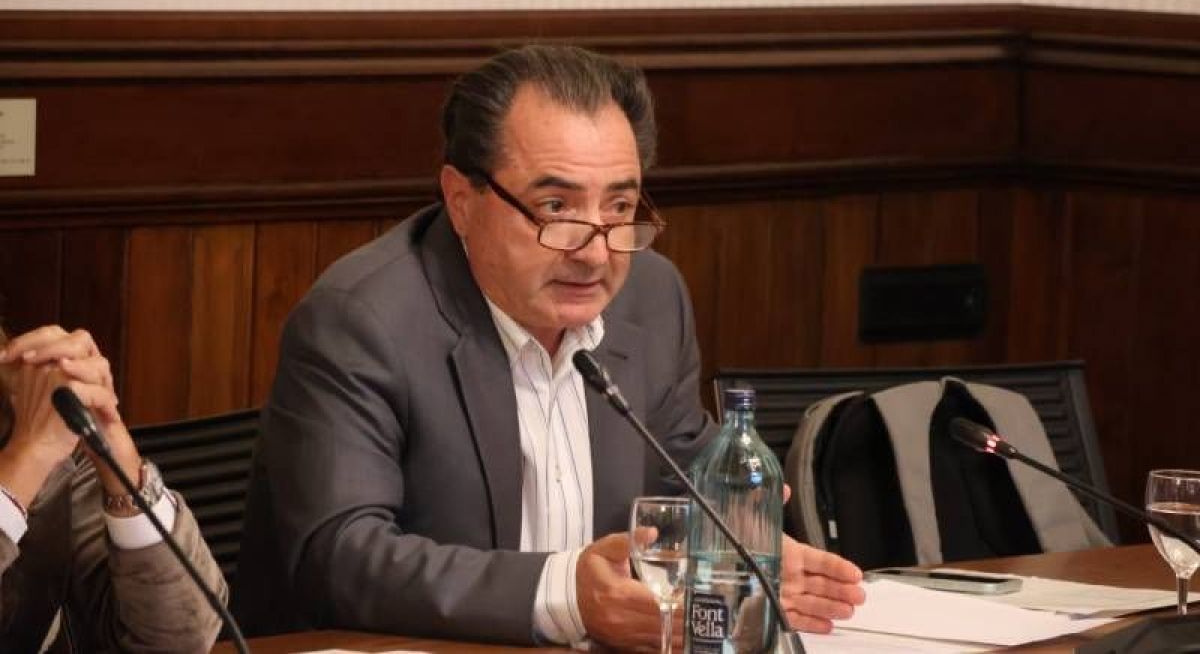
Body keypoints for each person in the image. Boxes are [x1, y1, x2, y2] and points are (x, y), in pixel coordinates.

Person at [235, 45, 865, 648]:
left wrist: (735, 547)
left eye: (619, 207)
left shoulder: (650, 298)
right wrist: (567, 596)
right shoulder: (362, 322)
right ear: (461, 200)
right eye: (556, 207)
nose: (594, 253)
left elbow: (680, 475)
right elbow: (340, 557)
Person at [0, 324, 226, 652]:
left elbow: (180, 638)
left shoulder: (26, 416)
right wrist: (26, 459)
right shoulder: (30, 445)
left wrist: (114, 451)